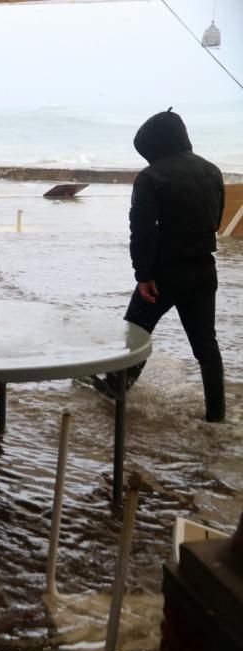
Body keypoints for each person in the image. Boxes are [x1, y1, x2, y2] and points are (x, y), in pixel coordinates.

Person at [86, 108, 225, 422]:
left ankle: (116, 390)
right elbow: (215, 222)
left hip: (165, 272)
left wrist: (143, 274)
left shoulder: (151, 178)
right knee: (206, 345)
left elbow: (143, 230)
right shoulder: (212, 171)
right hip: (204, 269)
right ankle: (216, 416)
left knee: (135, 333)